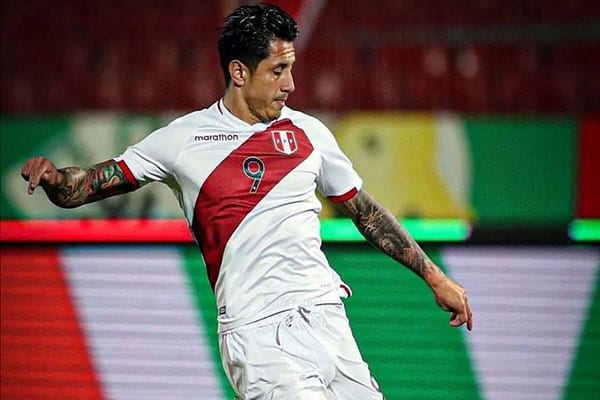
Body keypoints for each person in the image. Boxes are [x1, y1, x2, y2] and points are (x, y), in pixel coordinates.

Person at [20, 3, 473, 399]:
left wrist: (434, 276)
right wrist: (56, 178)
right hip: (258, 334)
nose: (290, 84)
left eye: (291, 69)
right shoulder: (182, 140)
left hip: (328, 319)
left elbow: (366, 213)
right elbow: (90, 184)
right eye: (277, 71)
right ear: (239, 72)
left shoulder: (310, 133)